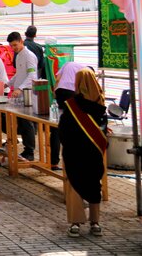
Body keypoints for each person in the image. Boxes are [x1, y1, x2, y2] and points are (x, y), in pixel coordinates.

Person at [59, 68, 107, 238]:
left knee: (74, 185)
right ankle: (95, 223)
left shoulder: (71, 105)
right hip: (93, 153)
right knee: (94, 184)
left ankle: (75, 223)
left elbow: (63, 129)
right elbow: (103, 132)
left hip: (74, 152)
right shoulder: (101, 105)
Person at [7, 31, 38, 162]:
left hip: (28, 94)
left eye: (15, 45)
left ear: (21, 41)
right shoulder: (18, 56)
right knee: (22, 122)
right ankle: (26, 149)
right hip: (19, 94)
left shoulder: (29, 56)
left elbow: (32, 76)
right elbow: (18, 74)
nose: (13, 48)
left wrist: (20, 88)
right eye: (11, 46)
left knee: (27, 122)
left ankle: (30, 151)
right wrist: (7, 84)